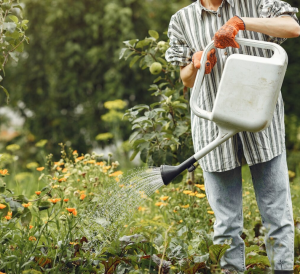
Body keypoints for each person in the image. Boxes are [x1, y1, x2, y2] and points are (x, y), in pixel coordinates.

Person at [165, 0, 300, 273]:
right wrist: (196, 63)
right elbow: (187, 79)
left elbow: (292, 27)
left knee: (277, 216)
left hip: (261, 122)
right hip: (213, 126)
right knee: (226, 224)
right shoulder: (182, 19)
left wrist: (241, 22)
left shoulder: (255, 2)